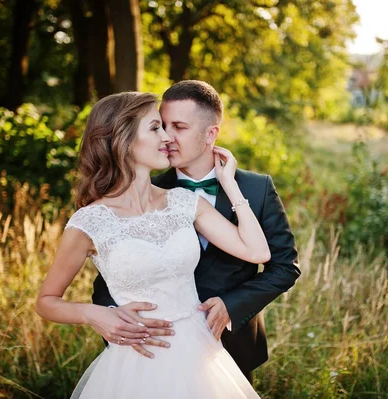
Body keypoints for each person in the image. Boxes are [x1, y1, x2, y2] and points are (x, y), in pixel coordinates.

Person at [35, 91, 269, 398]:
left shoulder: (184, 202)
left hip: (199, 355)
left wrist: (229, 184)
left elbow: (257, 252)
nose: (167, 137)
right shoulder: (88, 223)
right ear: (125, 139)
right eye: (156, 127)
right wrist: (92, 313)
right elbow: (46, 300)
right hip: (136, 362)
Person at [92, 80, 301, 382]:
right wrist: (114, 321)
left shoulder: (257, 189)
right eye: (161, 125)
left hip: (230, 342)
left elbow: (284, 267)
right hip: (154, 348)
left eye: (180, 126)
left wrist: (233, 306)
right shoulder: (146, 190)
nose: (167, 137)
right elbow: (110, 276)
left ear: (210, 134)